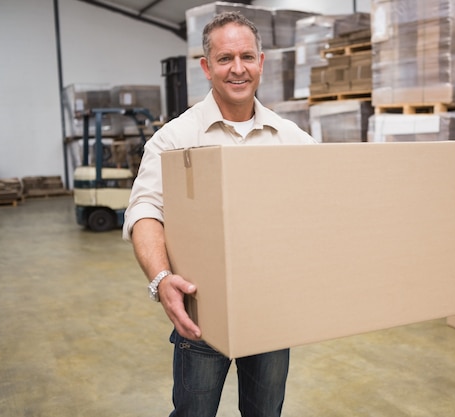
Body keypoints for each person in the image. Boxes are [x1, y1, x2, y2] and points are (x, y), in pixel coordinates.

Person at [122, 11, 317, 417]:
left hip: (270, 312)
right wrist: (161, 279)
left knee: (265, 412)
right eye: (226, 58)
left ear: (261, 62)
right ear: (206, 67)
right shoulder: (175, 138)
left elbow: (323, 207)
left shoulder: (292, 140)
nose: (238, 69)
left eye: (247, 56)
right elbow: (144, 210)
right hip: (201, 314)